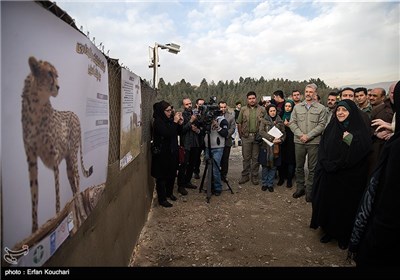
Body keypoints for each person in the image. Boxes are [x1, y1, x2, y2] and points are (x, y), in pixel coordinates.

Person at [348, 81, 400, 267]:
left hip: (376, 157)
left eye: (371, 95)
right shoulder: (382, 114)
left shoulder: (384, 113)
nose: (368, 98)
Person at [310, 99, 372, 249]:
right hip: (330, 175)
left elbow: (361, 150)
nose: (340, 113)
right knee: (329, 204)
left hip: (347, 178)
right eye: (338, 110)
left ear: (351, 113)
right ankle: (329, 231)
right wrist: (325, 163)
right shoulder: (332, 128)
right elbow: (323, 147)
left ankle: (343, 236)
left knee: (344, 207)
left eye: (344, 110)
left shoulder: (358, 131)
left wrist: (348, 140)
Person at [289, 83, 327, 202]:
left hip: (314, 142)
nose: (308, 94)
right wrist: (301, 135)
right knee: (299, 167)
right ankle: (300, 188)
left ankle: (310, 191)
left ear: (315, 93)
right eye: (306, 91)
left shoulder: (321, 108)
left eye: (311, 92)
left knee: (312, 168)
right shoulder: (297, 107)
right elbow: (292, 123)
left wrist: (308, 136)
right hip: (299, 141)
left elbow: (322, 125)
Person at [151, 101, 183, 207]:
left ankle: (170, 193)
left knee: (172, 174)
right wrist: (174, 122)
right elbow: (167, 133)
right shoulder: (158, 122)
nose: (170, 112)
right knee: (162, 177)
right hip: (162, 154)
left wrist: (179, 124)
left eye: (171, 110)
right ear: (161, 111)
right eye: (167, 110)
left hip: (172, 151)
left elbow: (177, 132)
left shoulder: (169, 120)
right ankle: (162, 199)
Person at [237, 91, 266, 185]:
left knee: (255, 158)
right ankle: (245, 176)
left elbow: (266, 123)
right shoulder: (243, 109)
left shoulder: (262, 109)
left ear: (256, 98)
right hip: (246, 137)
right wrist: (241, 135)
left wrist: (262, 135)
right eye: (250, 99)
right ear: (247, 100)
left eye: (253, 98)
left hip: (257, 137)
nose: (252, 100)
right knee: (246, 158)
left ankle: (254, 176)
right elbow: (239, 122)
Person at [257, 104, 285, 192]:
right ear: (268, 112)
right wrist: (272, 138)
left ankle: (270, 183)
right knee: (265, 166)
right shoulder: (264, 121)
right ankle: (264, 183)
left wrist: (280, 140)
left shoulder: (280, 121)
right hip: (265, 146)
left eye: (274, 111)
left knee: (273, 167)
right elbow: (261, 132)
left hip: (276, 147)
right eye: (271, 111)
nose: (273, 112)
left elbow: (284, 133)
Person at [204, 112, 229, 196]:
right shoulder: (206, 120)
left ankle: (218, 188)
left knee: (215, 168)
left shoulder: (222, 120)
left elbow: (225, 133)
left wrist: (218, 127)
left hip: (218, 147)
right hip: (208, 146)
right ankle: (209, 186)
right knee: (208, 167)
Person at [278, 99, 296, 188]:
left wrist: (289, 125)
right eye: (286, 106)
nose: (287, 108)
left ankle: (289, 179)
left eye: (289, 106)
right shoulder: (280, 115)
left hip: (292, 141)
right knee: (282, 159)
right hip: (282, 140)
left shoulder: (295, 116)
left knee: (291, 160)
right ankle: (281, 178)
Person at [219, 101, 236, 182]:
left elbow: (232, 128)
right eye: (221, 107)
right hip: (217, 142)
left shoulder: (230, 117)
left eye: (224, 107)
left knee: (225, 159)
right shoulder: (215, 116)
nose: (223, 109)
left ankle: (224, 175)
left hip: (227, 141)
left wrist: (225, 134)